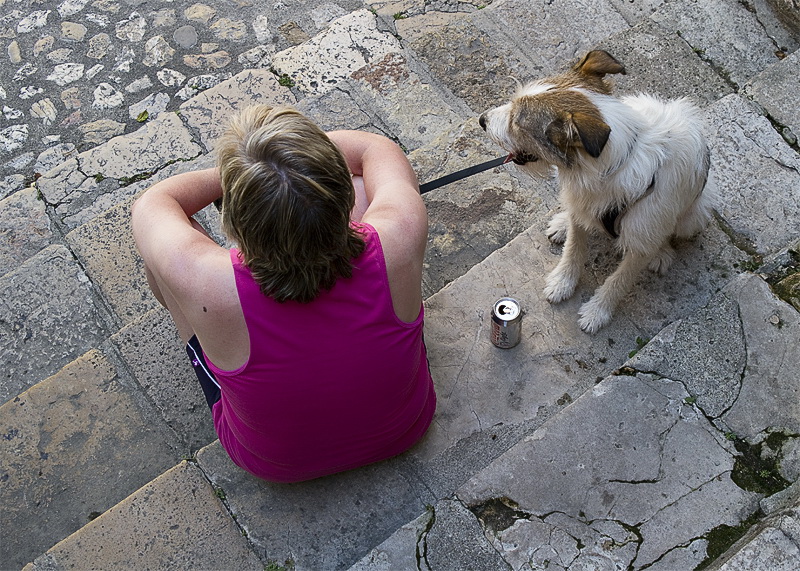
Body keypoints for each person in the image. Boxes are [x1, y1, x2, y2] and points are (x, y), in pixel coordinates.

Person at [131, 105, 436, 483]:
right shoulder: (402, 232)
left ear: (238, 223)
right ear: (334, 188)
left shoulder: (206, 280)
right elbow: (373, 149)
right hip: (404, 429)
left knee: (162, 258)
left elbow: (155, 202)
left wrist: (243, 174)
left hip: (277, 464)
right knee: (365, 186)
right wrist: (299, 169)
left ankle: (214, 337)